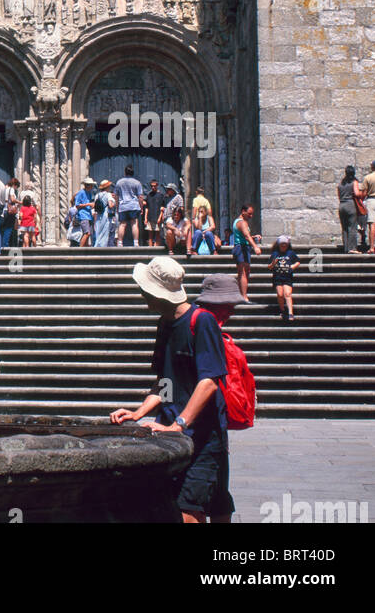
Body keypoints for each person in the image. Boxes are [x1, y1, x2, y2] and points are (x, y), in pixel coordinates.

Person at [110, 256, 234, 524]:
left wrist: (179, 423)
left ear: (158, 293)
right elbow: (165, 380)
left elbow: (210, 381)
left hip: (204, 437)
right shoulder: (165, 323)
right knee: (200, 504)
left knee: (188, 513)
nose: (142, 294)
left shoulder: (202, 322)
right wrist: (138, 412)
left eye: (145, 289)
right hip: (173, 435)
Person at [231, 202, 262, 299]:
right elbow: (246, 236)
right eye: (249, 213)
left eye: (252, 214)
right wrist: (255, 247)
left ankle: (243, 294)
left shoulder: (240, 222)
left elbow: (244, 236)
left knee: (245, 272)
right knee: (243, 272)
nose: (251, 216)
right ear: (243, 211)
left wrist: (254, 237)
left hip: (243, 246)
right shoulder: (242, 222)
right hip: (241, 248)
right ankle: (244, 296)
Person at [268, 234, 300, 321]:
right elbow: (269, 267)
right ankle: (282, 310)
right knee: (280, 294)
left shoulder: (291, 253)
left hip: (287, 277)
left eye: (285, 244)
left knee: (287, 294)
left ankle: (290, 313)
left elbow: (298, 261)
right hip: (277, 277)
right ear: (279, 245)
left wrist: (293, 266)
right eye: (282, 244)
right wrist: (273, 263)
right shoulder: (275, 254)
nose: (283, 246)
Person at [115, 163, 145, 246]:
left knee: (122, 224)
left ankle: (120, 243)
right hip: (134, 206)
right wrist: (141, 207)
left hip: (123, 206)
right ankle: (136, 242)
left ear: (125, 173)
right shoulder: (137, 183)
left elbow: (116, 196)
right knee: (134, 224)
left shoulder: (119, 182)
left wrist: (117, 207)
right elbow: (140, 196)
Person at [337, 166, 361, 254]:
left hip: (342, 205)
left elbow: (339, 196)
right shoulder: (354, 182)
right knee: (352, 227)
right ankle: (352, 248)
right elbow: (357, 193)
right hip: (350, 204)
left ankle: (346, 248)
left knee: (344, 228)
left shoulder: (340, 183)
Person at [93, 180, 117, 248]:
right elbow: (110, 205)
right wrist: (114, 202)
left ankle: (97, 246)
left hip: (99, 216)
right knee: (105, 232)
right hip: (106, 215)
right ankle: (103, 248)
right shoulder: (108, 194)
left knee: (99, 232)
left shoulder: (97, 195)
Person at [144, 179, 166, 246]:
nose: (153, 187)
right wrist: (145, 218)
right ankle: (150, 249)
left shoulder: (161, 195)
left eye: (154, 186)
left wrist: (160, 217)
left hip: (157, 217)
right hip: (150, 217)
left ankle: (156, 249)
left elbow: (162, 208)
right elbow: (147, 207)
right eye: (152, 186)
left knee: (157, 235)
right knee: (150, 235)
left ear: (157, 186)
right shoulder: (149, 195)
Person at [4, 177, 21, 249]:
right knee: (9, 228)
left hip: (5, 210)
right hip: (10, 211)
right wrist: (20, 202)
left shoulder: (6, 189)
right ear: (14, 184)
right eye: (17, 186)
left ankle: (4, 244)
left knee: (5, 228)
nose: (16, 188)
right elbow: (13, 199)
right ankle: (6, 244)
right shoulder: (11, 189)